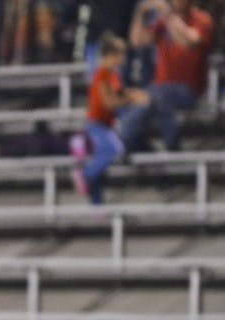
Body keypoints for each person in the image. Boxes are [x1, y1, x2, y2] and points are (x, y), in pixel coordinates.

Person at [121, 0, 213, 152]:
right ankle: (136, 147)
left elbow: (189, 42)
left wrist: (169, 16)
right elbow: (137, 41)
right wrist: (140, 13)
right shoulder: (162, 22)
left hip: (188, 90)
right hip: (159, 89)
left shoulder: (201, 20)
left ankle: (172, 146)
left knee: (160, 96)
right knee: (137, 99)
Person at [73, 32, 148, 204]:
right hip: (97, 125)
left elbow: (120, 93)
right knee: (115, 150)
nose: (123, 58)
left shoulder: (113, 75)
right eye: (119, 54)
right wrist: (132, 99)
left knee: (104, 165)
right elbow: (110, 103)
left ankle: (97, 206)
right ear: (109, 55)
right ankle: (84, 174)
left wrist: (135, 95)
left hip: (105, 125)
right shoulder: (102, 74)